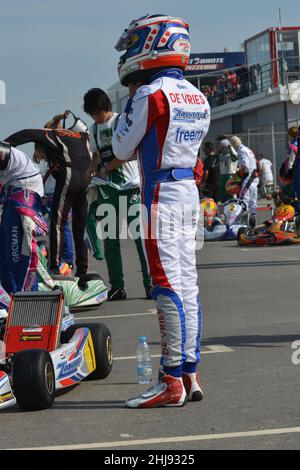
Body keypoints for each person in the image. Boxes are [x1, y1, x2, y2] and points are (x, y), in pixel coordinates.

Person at [112, 14, 211, 408]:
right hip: (188, 191)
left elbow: (120, 150)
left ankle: (171, 380)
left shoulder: (150, 94)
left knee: (166, 284)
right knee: (188, 284)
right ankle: (189, 372)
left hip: (160, 192)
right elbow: (200, 162)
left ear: (150, 43)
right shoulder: (199, 96)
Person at [83, 88, 152, 301]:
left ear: (105, 107)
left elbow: (128, 152)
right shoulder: (93, 129)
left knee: (141, 238)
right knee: (110, 240)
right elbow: (95, 155)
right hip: (108, 189)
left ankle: (150, 284)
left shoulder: (122, 121)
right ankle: (117, 286)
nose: (95, 117)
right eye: (91, 115)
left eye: (97, 113)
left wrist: (106, 168)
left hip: (131, 186)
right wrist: (91, 170)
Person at [5, 112, 91, 278]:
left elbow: (26, 133)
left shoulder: (48, 134)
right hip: (86, 177)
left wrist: (5, 145)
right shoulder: (74, 135)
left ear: (41, 146)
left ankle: (54, 267)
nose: (43, 159)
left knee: (57, 224)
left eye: (42, 155)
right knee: (79, 228)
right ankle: (82, 272)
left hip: (70, 177)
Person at [0, 141, 47, 294]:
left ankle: (27, 297)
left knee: (17, 252)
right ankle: (9, 299)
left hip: (24, 190)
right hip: (11, 189)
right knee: (3, 251)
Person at [230, 136, 259, 228]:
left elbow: (245, 166)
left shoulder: (241, 151)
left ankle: (242, 225)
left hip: (248, 177)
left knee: (243, 200)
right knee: (253, 201)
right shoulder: (247, 149)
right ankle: (252, 224)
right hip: (255, 177)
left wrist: (238, 173)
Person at [218, 138, 238, 202]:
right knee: (223, 194)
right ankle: (224, 207)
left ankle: (234, 206)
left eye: (223, 147)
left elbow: (235, 157)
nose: (221, 149)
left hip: (231, 175)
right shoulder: (221, 155)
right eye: (221, 147)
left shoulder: (232, 155)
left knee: (231, 193)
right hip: (222, 176)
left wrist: (230, 146)